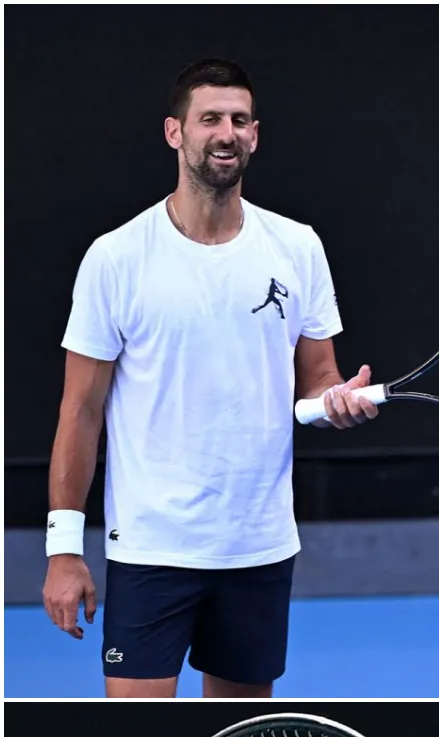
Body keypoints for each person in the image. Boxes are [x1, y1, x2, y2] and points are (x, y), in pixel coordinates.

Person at [41, 57, 378, 699]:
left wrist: (333, 402)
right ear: (176, 133)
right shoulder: (116, 258)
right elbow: (79, 411)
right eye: (210, 119)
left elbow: (318, 378)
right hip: (150, 546)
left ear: (255, 134)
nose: (227, 133)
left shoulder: (298, 247)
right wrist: (64, 548)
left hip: (257, 543)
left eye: (240, 120)